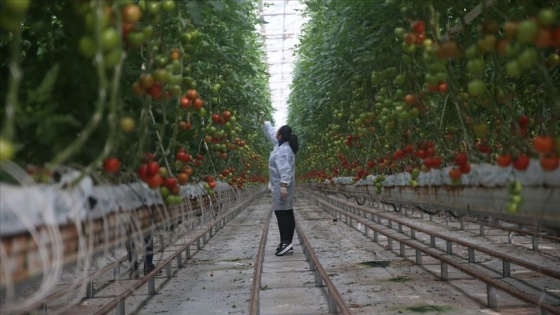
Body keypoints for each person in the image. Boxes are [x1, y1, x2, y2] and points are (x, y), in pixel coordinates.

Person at [263, 121, 299, 256]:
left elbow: (285, 170)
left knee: (282, 214)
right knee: (287, 211)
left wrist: (283, 186)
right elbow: (272, 134)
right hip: (282, 185)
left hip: (282, 186)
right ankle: (287, 243)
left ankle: (285, 241)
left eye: (277, 132)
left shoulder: (283, 151)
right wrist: (266, 123)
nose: (275, 134)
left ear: (281, 136)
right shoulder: (282, 145)